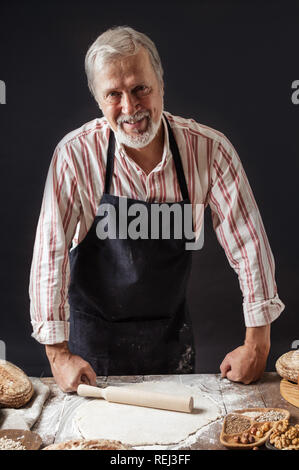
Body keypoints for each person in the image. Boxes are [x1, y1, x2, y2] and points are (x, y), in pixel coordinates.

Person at [29, 26, 284, 392]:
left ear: (160, 84)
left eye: (140, 89)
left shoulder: (210, 151)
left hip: (171, 340)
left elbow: (249, 245)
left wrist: (257, 343)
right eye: (113, 94)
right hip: (92, 352)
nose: (130, 108)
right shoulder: (75, 155)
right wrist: (58, 355)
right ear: (98, 100)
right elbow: (48, 256)